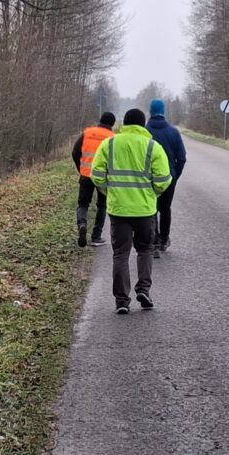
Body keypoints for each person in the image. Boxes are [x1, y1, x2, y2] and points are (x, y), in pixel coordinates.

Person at [90, 108, 172, 314]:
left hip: (119, 210)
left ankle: (121, 300)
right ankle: (143, 290)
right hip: (145, 210)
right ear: (143, 125)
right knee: (145, 250)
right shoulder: (153, 146)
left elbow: (96, 174)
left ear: (124, 124)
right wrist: (152, 194)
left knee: (120, 254)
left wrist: (109, 191)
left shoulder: (109, 144)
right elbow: (164, 179)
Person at [146, 99, 187, 256]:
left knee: (151, 209)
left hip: (148, 178)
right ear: (163, 112)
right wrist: (175, 175)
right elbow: (181, 158)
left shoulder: (144, 131)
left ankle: (154, 241)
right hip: (168, 178)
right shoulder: (173, 131)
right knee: (165, 209)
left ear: (150, 111)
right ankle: (164, 240)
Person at [72, 112, 116, 247]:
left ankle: (82, 224)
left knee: (83, 204)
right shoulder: (113, 137)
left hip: (86, 174)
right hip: (103, 177)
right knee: (102, 205)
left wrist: (81, 169)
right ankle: (96, 236)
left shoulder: (88, 132)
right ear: (112, 124)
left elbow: (75, 152)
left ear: (100, 120)